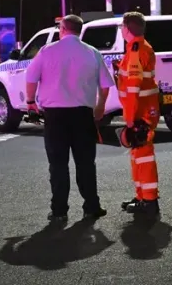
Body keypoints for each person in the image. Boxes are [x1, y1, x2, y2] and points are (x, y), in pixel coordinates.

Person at [25, 14, 114, 223]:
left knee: (57, 164)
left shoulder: (47, 51)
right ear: (79, 30)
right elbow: (105, 85)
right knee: (85, 163)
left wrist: (30, 101)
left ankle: (59, 211)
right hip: (83, 115)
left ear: (62, 29)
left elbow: (30, 77)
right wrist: (100, 106)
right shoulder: (92, 52)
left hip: (55, 116)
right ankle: (91, 206)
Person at [117, 12, 161, 215]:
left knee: (143, 156)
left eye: (121, 27)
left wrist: (130, 118)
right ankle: (142, 197)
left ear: (127, 28)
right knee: (138, 155)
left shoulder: (135, 50)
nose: (121, 30)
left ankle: (149, 200)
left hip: (140, 111)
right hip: (144, 108)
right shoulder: (140, 47)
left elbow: (133, 88)